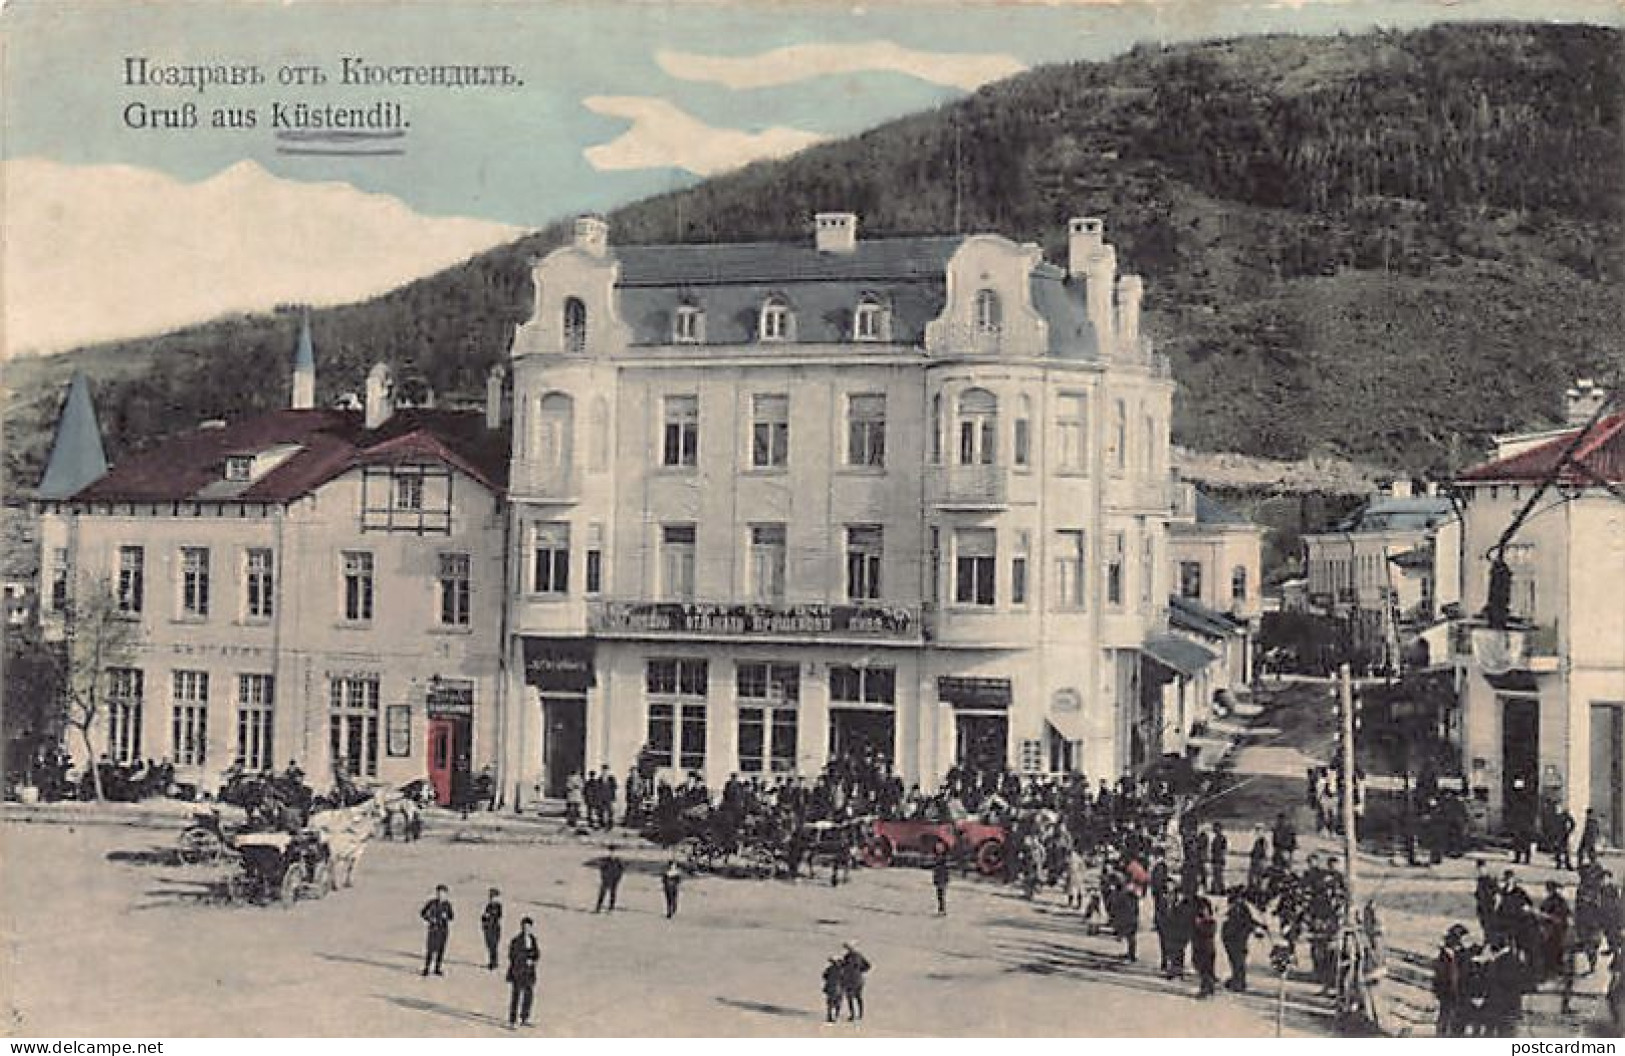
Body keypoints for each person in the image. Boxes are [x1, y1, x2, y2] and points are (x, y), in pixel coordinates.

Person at [1222, 893, 1265, 992]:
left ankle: (1239, 982)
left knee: (1238, 961)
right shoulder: (1237, 910)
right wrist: (1256, 928)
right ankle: (1238, 981)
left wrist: (1257, 927)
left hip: (1237, 940)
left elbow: (1247, 921)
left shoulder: (1241, 909)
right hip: (1232, 939)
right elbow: (1248, 922)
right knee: (1237, 961)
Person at [1433, 924, 1469, 1037]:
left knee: (1456, 1020)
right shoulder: (1444, 955)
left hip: (1459, 993)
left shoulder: (1461, 954)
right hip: (1448, 993)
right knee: (1445, 1017)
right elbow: (1440, 976)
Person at [505, 917, 540, 1029]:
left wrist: (533, 959)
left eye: (528, 927)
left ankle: (525, 1018)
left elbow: (537, 953)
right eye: (524, 927)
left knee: (529, 995)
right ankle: (512, 1020)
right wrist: (526, 959)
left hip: (529, 972)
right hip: (518, 971)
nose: (526, 929)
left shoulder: (533, 939)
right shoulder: (516, 940)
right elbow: (512, 955)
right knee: (516, 996)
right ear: (521, 927)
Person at [420, 884, 454, 976]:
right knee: (430, 949)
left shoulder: (447, 905)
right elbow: (422, 913)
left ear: (446, 894)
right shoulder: (432, 903)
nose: (440, 895)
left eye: (442, 893)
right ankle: (426, 968)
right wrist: (430, 919)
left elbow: (451, 917)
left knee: (441, 950)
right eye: (439, 893)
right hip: (433, 929)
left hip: (443, 930)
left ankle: (437, 968)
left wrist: (446, 917)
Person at [1107, 878, 1140, 962]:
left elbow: (1115, 906)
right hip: (1129, 917)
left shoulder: (1122, 894)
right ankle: (1130, 953)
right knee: (1130, 937)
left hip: (1128, 918)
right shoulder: (1127, 894)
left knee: (1130, 937)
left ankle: (1131, 955)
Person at [1192, 895, 1218, 998]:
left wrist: (1200, 924)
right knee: (1202, 968)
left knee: (1206, 970)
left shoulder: (1210, 922)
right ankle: (1209, 988)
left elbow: (1209, 932)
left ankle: (1206, 989)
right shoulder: (1198, 920)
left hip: (1207, 949)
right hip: (1199, 948)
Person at [839, 941, 871, 1022]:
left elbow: (867, 966)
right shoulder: (852, 956)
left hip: (854, 979)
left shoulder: (854, 956)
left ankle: (857, 1015)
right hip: (854, 979)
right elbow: (867, 966)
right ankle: (856, 1015)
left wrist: (858, 971)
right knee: (854, 997)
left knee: (854, 997)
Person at [595, 845, 625, 913]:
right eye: (611, 851)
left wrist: (618, 878)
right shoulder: (605, 860)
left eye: (613, 852)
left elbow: (621, 870)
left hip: (614, 878)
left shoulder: (618, 861)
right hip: (606, 878)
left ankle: (611, 907)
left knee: (612, 893)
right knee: (603, 893)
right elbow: (601, 869)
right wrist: (603, 876)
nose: (612, 853)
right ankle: (598, 907)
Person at [481, 888, 503, 971]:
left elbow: (498, 916)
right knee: (489, 945)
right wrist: (484, 918)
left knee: (494, 945)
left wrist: (489, 915)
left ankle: (494, 962)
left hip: (495, 928)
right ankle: (491, 961)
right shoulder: (488, 906)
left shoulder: (498, 906)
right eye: (491, 897)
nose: (492, 899)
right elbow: (484, 917)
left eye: (494, 897)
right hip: (488, 928)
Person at [822, 956, 845, 1024]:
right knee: (837, 1003)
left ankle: (830, 1016)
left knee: (831, 1003)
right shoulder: (842, 970)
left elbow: (824, 976)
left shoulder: (831, 968)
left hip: (831, 987)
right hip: (838, 988)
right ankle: (835, 1016)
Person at [1209, 822, 1229, 896]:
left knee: (1219, 875)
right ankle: (1216, 889)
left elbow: (1223, 850)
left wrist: (1220, 857)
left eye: (1215, 828)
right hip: (1216, 859)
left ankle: (1221, 890)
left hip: (1219, 859)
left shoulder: (1222, 838)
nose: (1214, 829)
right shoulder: (1216, 838)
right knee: (1216, 875)